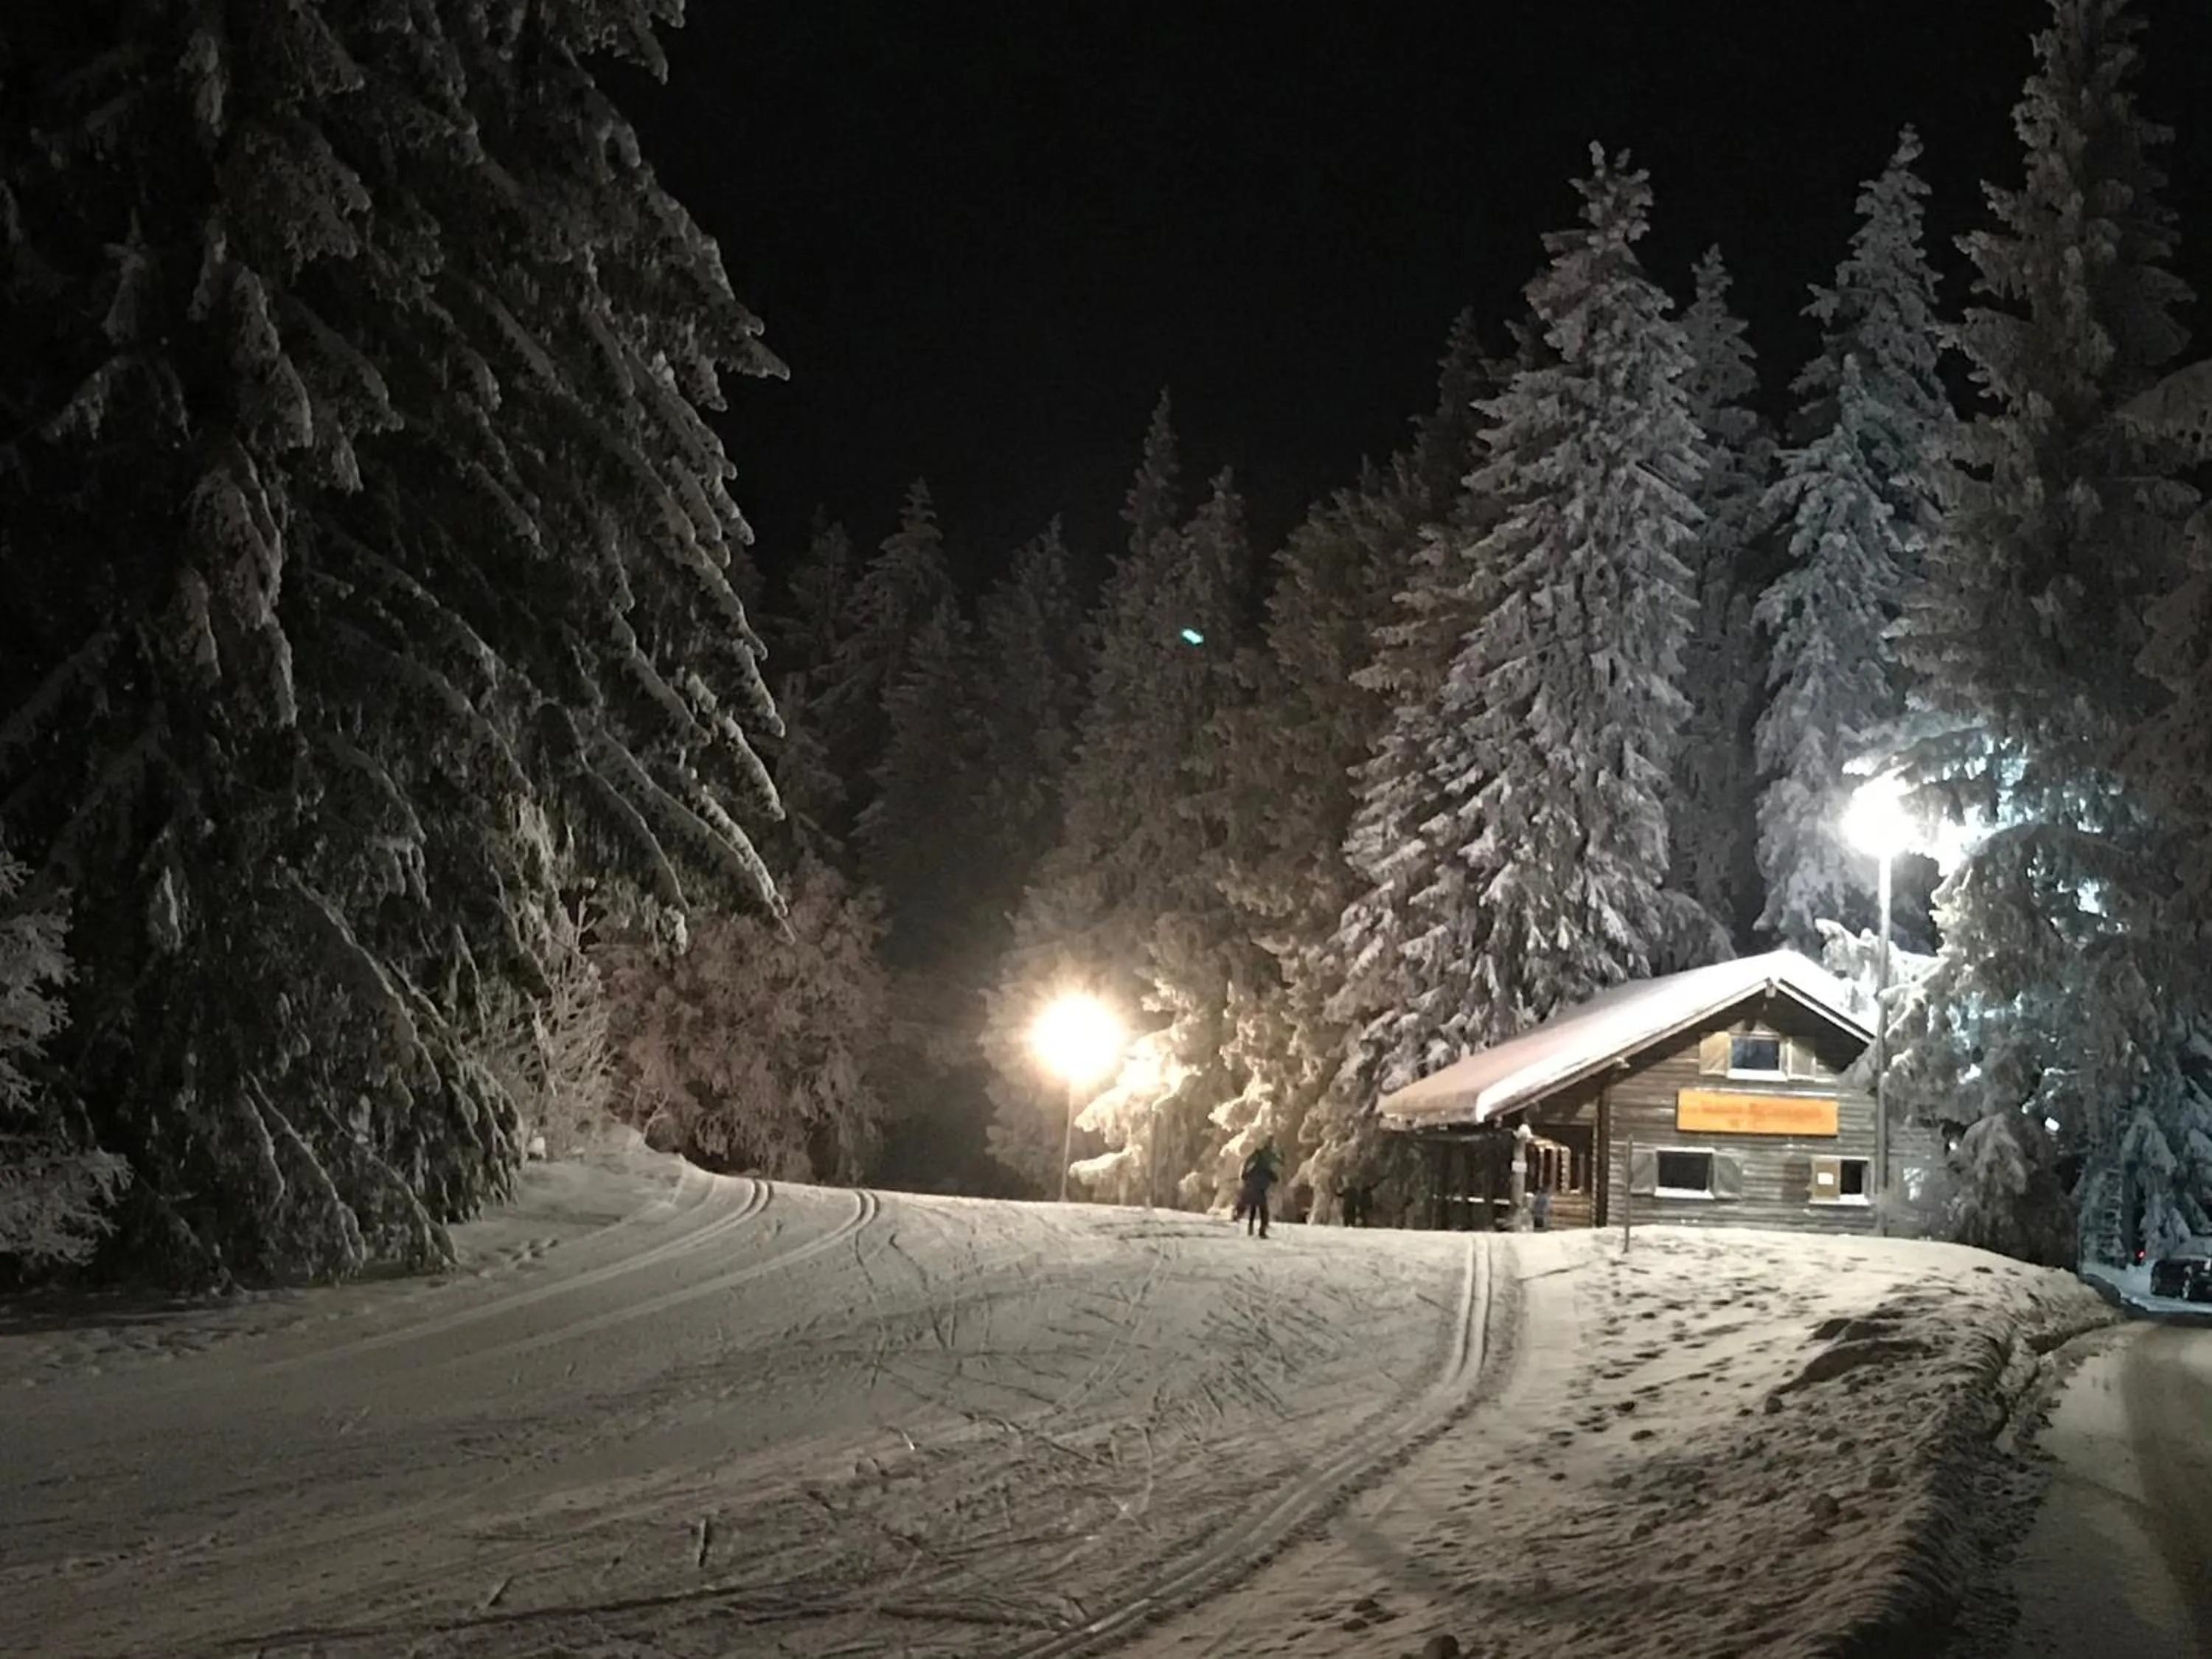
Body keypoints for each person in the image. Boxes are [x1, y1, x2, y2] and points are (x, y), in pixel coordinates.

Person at [1239, 1140, 1284, 1238]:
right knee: (1263, 1211)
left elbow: (1246, 1170)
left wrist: (1246, 1177)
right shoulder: (1265, 1163)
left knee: (1253, 1208)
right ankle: (1261, 1231)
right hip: (1260, 1190)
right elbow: (1275, 1170)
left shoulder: (1255, 1159)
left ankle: (1251, 1229)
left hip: (1253, 1188)